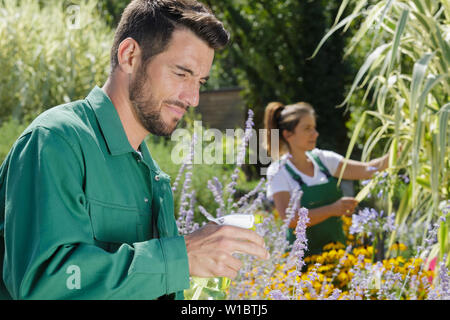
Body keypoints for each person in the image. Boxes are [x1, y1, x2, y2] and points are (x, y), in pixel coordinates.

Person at [0, 0, 269, 300]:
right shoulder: (55, 141)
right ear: (129, 56)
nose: (193, 98)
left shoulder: (151, 172)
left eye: (200, 82)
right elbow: (44, 285)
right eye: (181, 73)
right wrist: (183, 256)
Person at [264, 101, 390, 256]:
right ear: (287, 134)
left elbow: (367, 170)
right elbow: (289, 219)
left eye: (314, 128)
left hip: (337, 256)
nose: (315, 134)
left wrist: (398, 150)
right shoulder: (279, 171)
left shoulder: (323, 159)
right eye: (307, 129)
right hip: (301, 264)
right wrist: (332, 210)